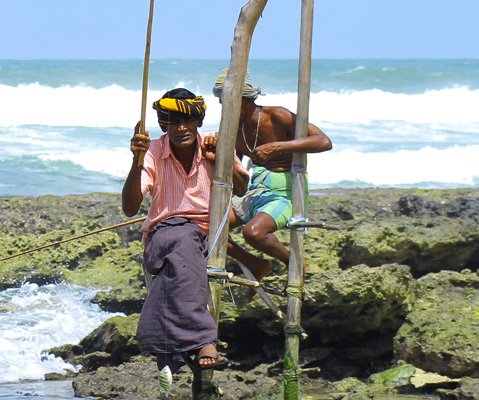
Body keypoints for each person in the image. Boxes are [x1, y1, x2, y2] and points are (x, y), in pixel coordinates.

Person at [122, 88, 248, 379]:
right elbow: (130, 208)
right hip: (165, 234)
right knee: (182, 239)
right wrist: (136, 161)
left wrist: (219, 160)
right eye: (174, 122)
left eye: (187, 121)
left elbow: (241, 188)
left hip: (210, 236)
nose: (181, 128)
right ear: (164, 125)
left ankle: (166, 347)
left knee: (185, 252)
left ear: (198, 122)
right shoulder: (153, 151)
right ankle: (205, 338)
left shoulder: (215, 143)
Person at [208, 70, 333, 282]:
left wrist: (277, 147)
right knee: (207, 228)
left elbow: (323, 141)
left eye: (228, 101)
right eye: (222, 101)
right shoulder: (231, 129)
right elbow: (236, 174)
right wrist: (215, 155)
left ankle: (293, 262)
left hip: (284, 195)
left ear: (246, 99)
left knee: (253, 233)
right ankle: (255, 263)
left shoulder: (276, 116)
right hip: (254, 192)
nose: (224, 107)